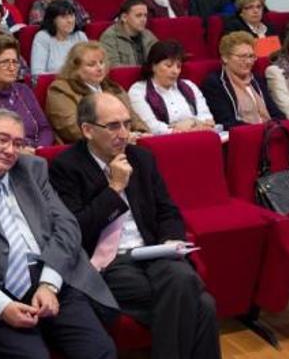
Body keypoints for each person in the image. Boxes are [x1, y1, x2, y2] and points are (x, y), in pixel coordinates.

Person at [0, 108, 119, 359]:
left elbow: (67, 225)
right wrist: (0, 305)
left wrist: (49, 284)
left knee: (100, 351)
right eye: (2, 139)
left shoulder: (31, 168)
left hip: (50, 273)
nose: (11, 150)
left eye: (18, 143)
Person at [49, 92, 220, 359]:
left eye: (127, 124)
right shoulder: (66, 167)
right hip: (107, 261)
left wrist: (170, 241)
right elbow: (75, 230)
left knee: (184, 278)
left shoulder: (141, 158)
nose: (124, 133)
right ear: (87, 130)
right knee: (202, 304)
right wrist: (115, 188)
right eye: (113, 126)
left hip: (151, 251)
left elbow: (168, 210)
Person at [46, 42, 148, 143]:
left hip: (125, 142)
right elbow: (72, 128)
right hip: (86, 150)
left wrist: (143, 133)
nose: (99, 68)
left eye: (101, 62)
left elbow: (132, 117)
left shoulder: (112, 87)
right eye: (91, 64)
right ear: (75, 69)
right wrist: (121, 136)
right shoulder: (61, 89)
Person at [128, 41, 216, 134]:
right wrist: (180, 130)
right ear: (153, 66)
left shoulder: (189, 85)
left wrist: (192, 122)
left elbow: (207, 116)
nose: (175, 71)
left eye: (178, 66)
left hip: (197, 135)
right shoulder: (138, 91)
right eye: (168, 65)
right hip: (164, 141)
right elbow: (151, 126)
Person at [201, 31, 283, 130]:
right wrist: (260, 130)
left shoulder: (257, 80)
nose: (248, 62)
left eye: (251, 56)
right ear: (225, 58)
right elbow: (226, 121)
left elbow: (274, 112)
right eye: (242, 57)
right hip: (244, 136)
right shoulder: (215, 83)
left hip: (270, 132)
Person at [31, 0, 90, 77]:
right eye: (64, 17)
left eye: (72, 16)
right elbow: (37, 74)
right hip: (54, 85)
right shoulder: (42, 37)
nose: (70, 20)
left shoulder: (80, 36)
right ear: (53, 20)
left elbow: (90, 65)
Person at [99, 0, 158, 67]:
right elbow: (114, 68)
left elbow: (159, 60)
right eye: (138, 15)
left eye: (145, 15)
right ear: (124, 17)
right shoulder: (109, 37)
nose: (143, 19)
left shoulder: (148, 35)